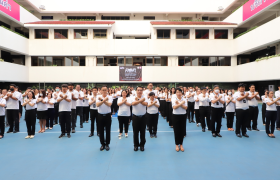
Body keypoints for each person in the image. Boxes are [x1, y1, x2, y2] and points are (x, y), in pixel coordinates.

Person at [131, 86, 148, 152]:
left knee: (143, 132)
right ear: (136, 91)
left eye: (141, 90)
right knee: (135, 132)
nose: (139, 91)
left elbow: (145, 104)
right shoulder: (133, 97)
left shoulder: (145, 97)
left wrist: (138, 100)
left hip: (143, 117)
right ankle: (136, 145)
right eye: (138, 90)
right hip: (135, 117)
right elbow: (133, 103)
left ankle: (142, 145)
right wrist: (140, 100)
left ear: (142, 91)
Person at [96, 86, 113, 151]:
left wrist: (102, 100)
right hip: (100, 115)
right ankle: (102, 144)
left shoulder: (110, 97)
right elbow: (97, 105)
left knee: (108, 130)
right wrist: (103, 100)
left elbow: (109, 105)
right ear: (101, 91)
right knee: (101, 130)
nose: (104, 91)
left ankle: (107, 144)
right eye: (103, 90)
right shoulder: (98, 97)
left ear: (107, 90)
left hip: (108, 115)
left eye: (105, 90)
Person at [172, 88, 188, 152]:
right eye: (177, 92)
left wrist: (178, 103)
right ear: (176, 93)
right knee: (176, 131)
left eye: (180, 92)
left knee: (182, 131)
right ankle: (176, 144)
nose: (179, 93)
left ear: (182, 93)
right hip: (175, 116)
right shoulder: (173, 99)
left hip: (183, 116)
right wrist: (181, 103)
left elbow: (185, 108)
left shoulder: (184, 99)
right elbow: (174, 107)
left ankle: (181, 144)